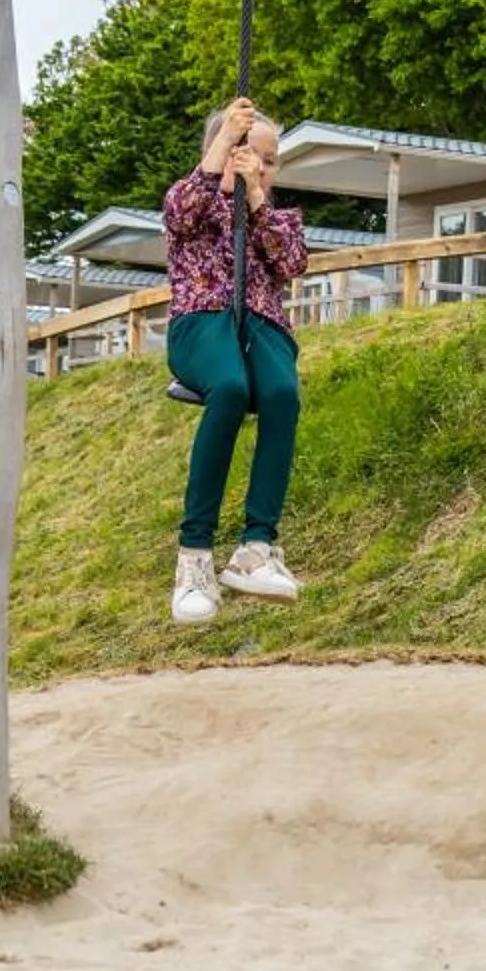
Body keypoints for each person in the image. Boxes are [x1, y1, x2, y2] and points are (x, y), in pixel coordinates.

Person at [161, 95, 308, 624]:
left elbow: (291, 263)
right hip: (203, 319)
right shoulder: (194, 198)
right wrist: (223, 149)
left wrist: (256, 203)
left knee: (281, 394)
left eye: (272, 161)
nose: (263, 167)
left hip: (262, 323)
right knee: (228, 386)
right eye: (254, 155)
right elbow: (178, 217)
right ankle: (194, 558)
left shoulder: (277, 215)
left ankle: (256, 548)